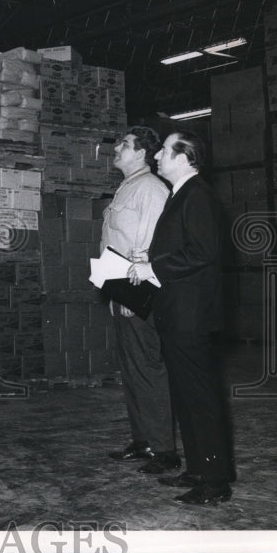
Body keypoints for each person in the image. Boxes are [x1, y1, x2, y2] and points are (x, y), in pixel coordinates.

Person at [129, 130, 234, 505]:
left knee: (200, 399)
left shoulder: (197, 195)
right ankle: (199, 469)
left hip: (191, 316)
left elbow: (203, 252)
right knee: (187, 397)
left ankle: (215, 482)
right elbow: (184, 250)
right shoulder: (181, 194)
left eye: (163, 151)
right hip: (177, 314)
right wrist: (148, 261)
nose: (156, 156)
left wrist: (153, 266)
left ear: (185, 157)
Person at [100, 127, 179, 475]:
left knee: (147, 369)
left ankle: (164, 450)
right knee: (132, 369)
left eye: (125, 145)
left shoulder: (150, 189)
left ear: (143, 153)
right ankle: (143, 440)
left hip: (137, 289)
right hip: (119, 285)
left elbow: (149, 244)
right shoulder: (128, 186)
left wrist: (136, 293)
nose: (117, 148)